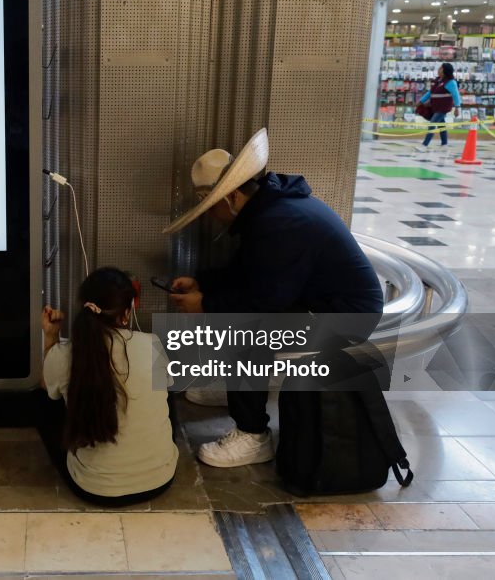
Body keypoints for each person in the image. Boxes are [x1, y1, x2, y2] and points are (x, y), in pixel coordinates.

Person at [162, 129, 384, 468]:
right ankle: (238, 388)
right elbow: (248, 274)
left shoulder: (280, 222)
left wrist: (204, 304)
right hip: (322, 305)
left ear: (231, 197)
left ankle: (253, 435)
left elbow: (264, 301)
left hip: (346, 318)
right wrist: (201, 283)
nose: (209, 215)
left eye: (210, 206)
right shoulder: (269, 211)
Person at [39, 267, 178, 506]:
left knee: (44, 397)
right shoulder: (152, 344)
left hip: (94, 488)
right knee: (164, 390)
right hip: (160, 480)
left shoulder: (64, 355)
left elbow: (47, 387)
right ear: (126, 313)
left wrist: (51, 337)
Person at [417, 62, 461, 150]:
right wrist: (421, 101)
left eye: (440, 68)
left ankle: (424, 145)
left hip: (443, 108)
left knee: (432, 124)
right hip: (435, 107)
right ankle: (444, 144)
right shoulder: (438, 80)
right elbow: (430, 92)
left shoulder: (451, 82)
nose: (438, 70)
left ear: (445, 71)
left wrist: (457, 108)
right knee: (441, 125)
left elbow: (456, 95)